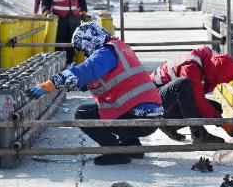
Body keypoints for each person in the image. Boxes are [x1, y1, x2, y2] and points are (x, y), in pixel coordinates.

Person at [27, 22, 163, 165]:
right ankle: (132, 147)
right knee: (110, 108)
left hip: (136, 117)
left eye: (83, 49)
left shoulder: (104, 53)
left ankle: (115, 153)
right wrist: (83, 83)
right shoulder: (119, 47)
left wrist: (51, 84)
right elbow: (115, 79)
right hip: (152, 114)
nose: (85, 54)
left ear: (88, 41)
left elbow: (85, 71)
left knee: (82, 114)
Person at [150, 46, 233, 143]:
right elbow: (198, 102)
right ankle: (198, 134)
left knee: (215, 108)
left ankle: (169, 126)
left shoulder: (217, 60)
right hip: (154, 101)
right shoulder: (191, 68)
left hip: (169, 98)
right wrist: (224, 124)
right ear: (211, 75)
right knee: (199, 105)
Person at [42, 0, 88, 64]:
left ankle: (70, 63)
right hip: (60, 20)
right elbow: (45, 0)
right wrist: (46, 10)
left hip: (74, 20)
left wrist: (84, 10)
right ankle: (59, 64)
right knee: (60, 43)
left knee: (73, 43)